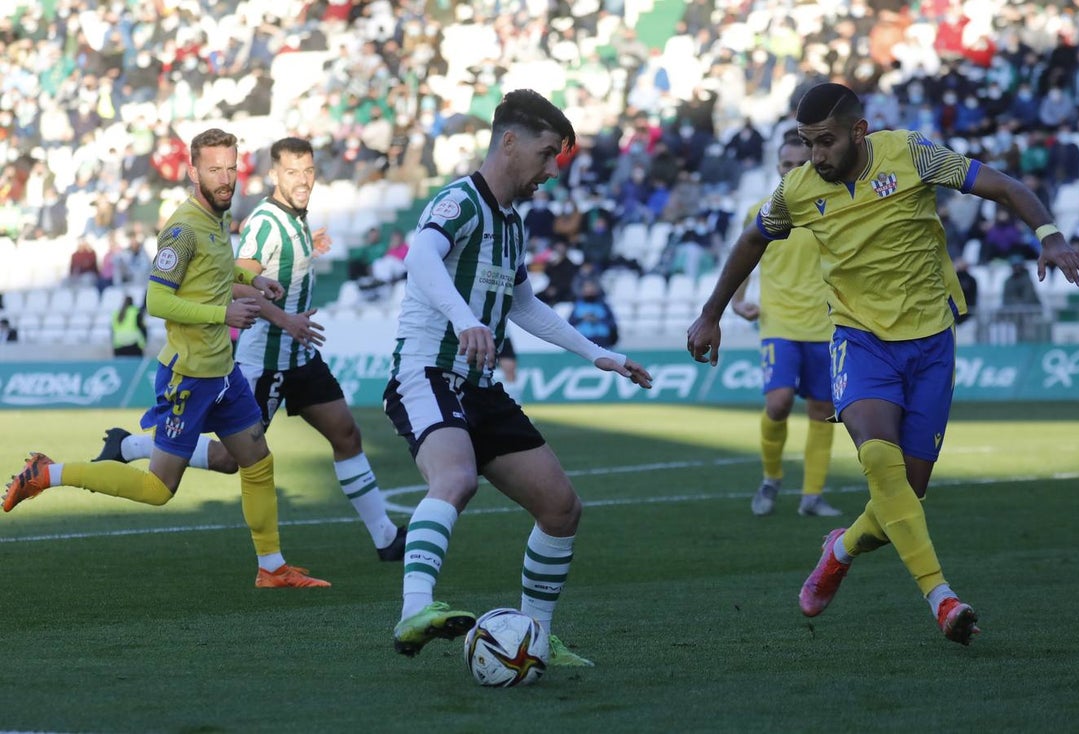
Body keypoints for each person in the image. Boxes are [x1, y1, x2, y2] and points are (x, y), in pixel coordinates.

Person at [687, 83, 1079, 645]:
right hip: (860, 340)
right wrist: (712, 314)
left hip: (931, 341)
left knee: (907, 492)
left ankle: (841, 548)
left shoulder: (913, 154)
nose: (815, 156)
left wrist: (1049, 235)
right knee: (881, 463)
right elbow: (751, 240)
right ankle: (942, 598)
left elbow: (1002, 185)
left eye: (824, 142)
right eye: (806, 144)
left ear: (859, 131)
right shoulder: (796, 191)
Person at [383, 89, 652, 664]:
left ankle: (534, 640)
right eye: (548, 154)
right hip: (428, 374)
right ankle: (413, 610)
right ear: (509, 142)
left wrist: (594, 353)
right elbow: (421, 259)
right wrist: (465, 318)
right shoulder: (458, 202)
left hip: (479, 387)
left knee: (561, 506)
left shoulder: (510, 224)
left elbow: (524, 304)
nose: (551, 171)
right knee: (455, 480)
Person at [4, 128, 330, 589]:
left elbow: (214, 271)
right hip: (188, 377)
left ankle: (272, 567)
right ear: (193, 171)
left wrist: (251, 280)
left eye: (230, 167)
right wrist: (225, 311)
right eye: (214, 169)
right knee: (159, 490)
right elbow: (157, 301)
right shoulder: (180, 229)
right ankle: (47, 473)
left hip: (223, 372)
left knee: (257, 461)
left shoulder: (218, 216)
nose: (225, 177)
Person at [94, 137, 407, 561]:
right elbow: (236, 282)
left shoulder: (296, 219)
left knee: (347, 434)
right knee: (229, 459)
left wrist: (306, 248)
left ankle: (386, 538)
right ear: (274, 175)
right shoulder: (263, 222)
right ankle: (132, 446)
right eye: (292, 172)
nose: (302, 180)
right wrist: (284, 319)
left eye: (309, 171)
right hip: (266, 358)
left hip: (300, 354)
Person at [729, 135, 841, 519]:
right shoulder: (762, 211)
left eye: (799, 164)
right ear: (777, 168)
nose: (792, 171)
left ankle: (812, 495)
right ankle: (771, 477)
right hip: (778, 322)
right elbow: (743, 255)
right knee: (777, 403)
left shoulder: (831, 210)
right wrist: (737, 300)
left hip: (825, 327)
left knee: (823, 409)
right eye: (785, 165)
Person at [567, 278, 619, 348]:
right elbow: (571, 323)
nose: (589, 290)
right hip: (583, 341)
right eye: (587, 287)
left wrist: (598, 319)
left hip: (602, 341)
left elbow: (612, 323)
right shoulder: (578, 305)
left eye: (591, 287)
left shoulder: (603, 305)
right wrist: (582, 318)